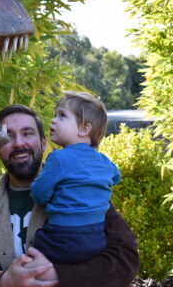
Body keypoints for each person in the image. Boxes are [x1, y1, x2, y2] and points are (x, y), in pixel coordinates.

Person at [0, 104, 139, 287]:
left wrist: (57, 276)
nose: (19, 143)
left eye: (27, 134)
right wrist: (3, 281)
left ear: (44, 143)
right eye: (7, 136)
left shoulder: (83, 194)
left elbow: (126, 260)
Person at [28, 91, 121, 271]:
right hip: (97, 239)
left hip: (62, 238)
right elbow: (116, 177)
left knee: (33, 253)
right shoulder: (104, 161)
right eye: (55, 115)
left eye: (62, 116)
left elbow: (39, 194)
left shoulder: (58, 159)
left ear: (84, 129)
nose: (53, 120)